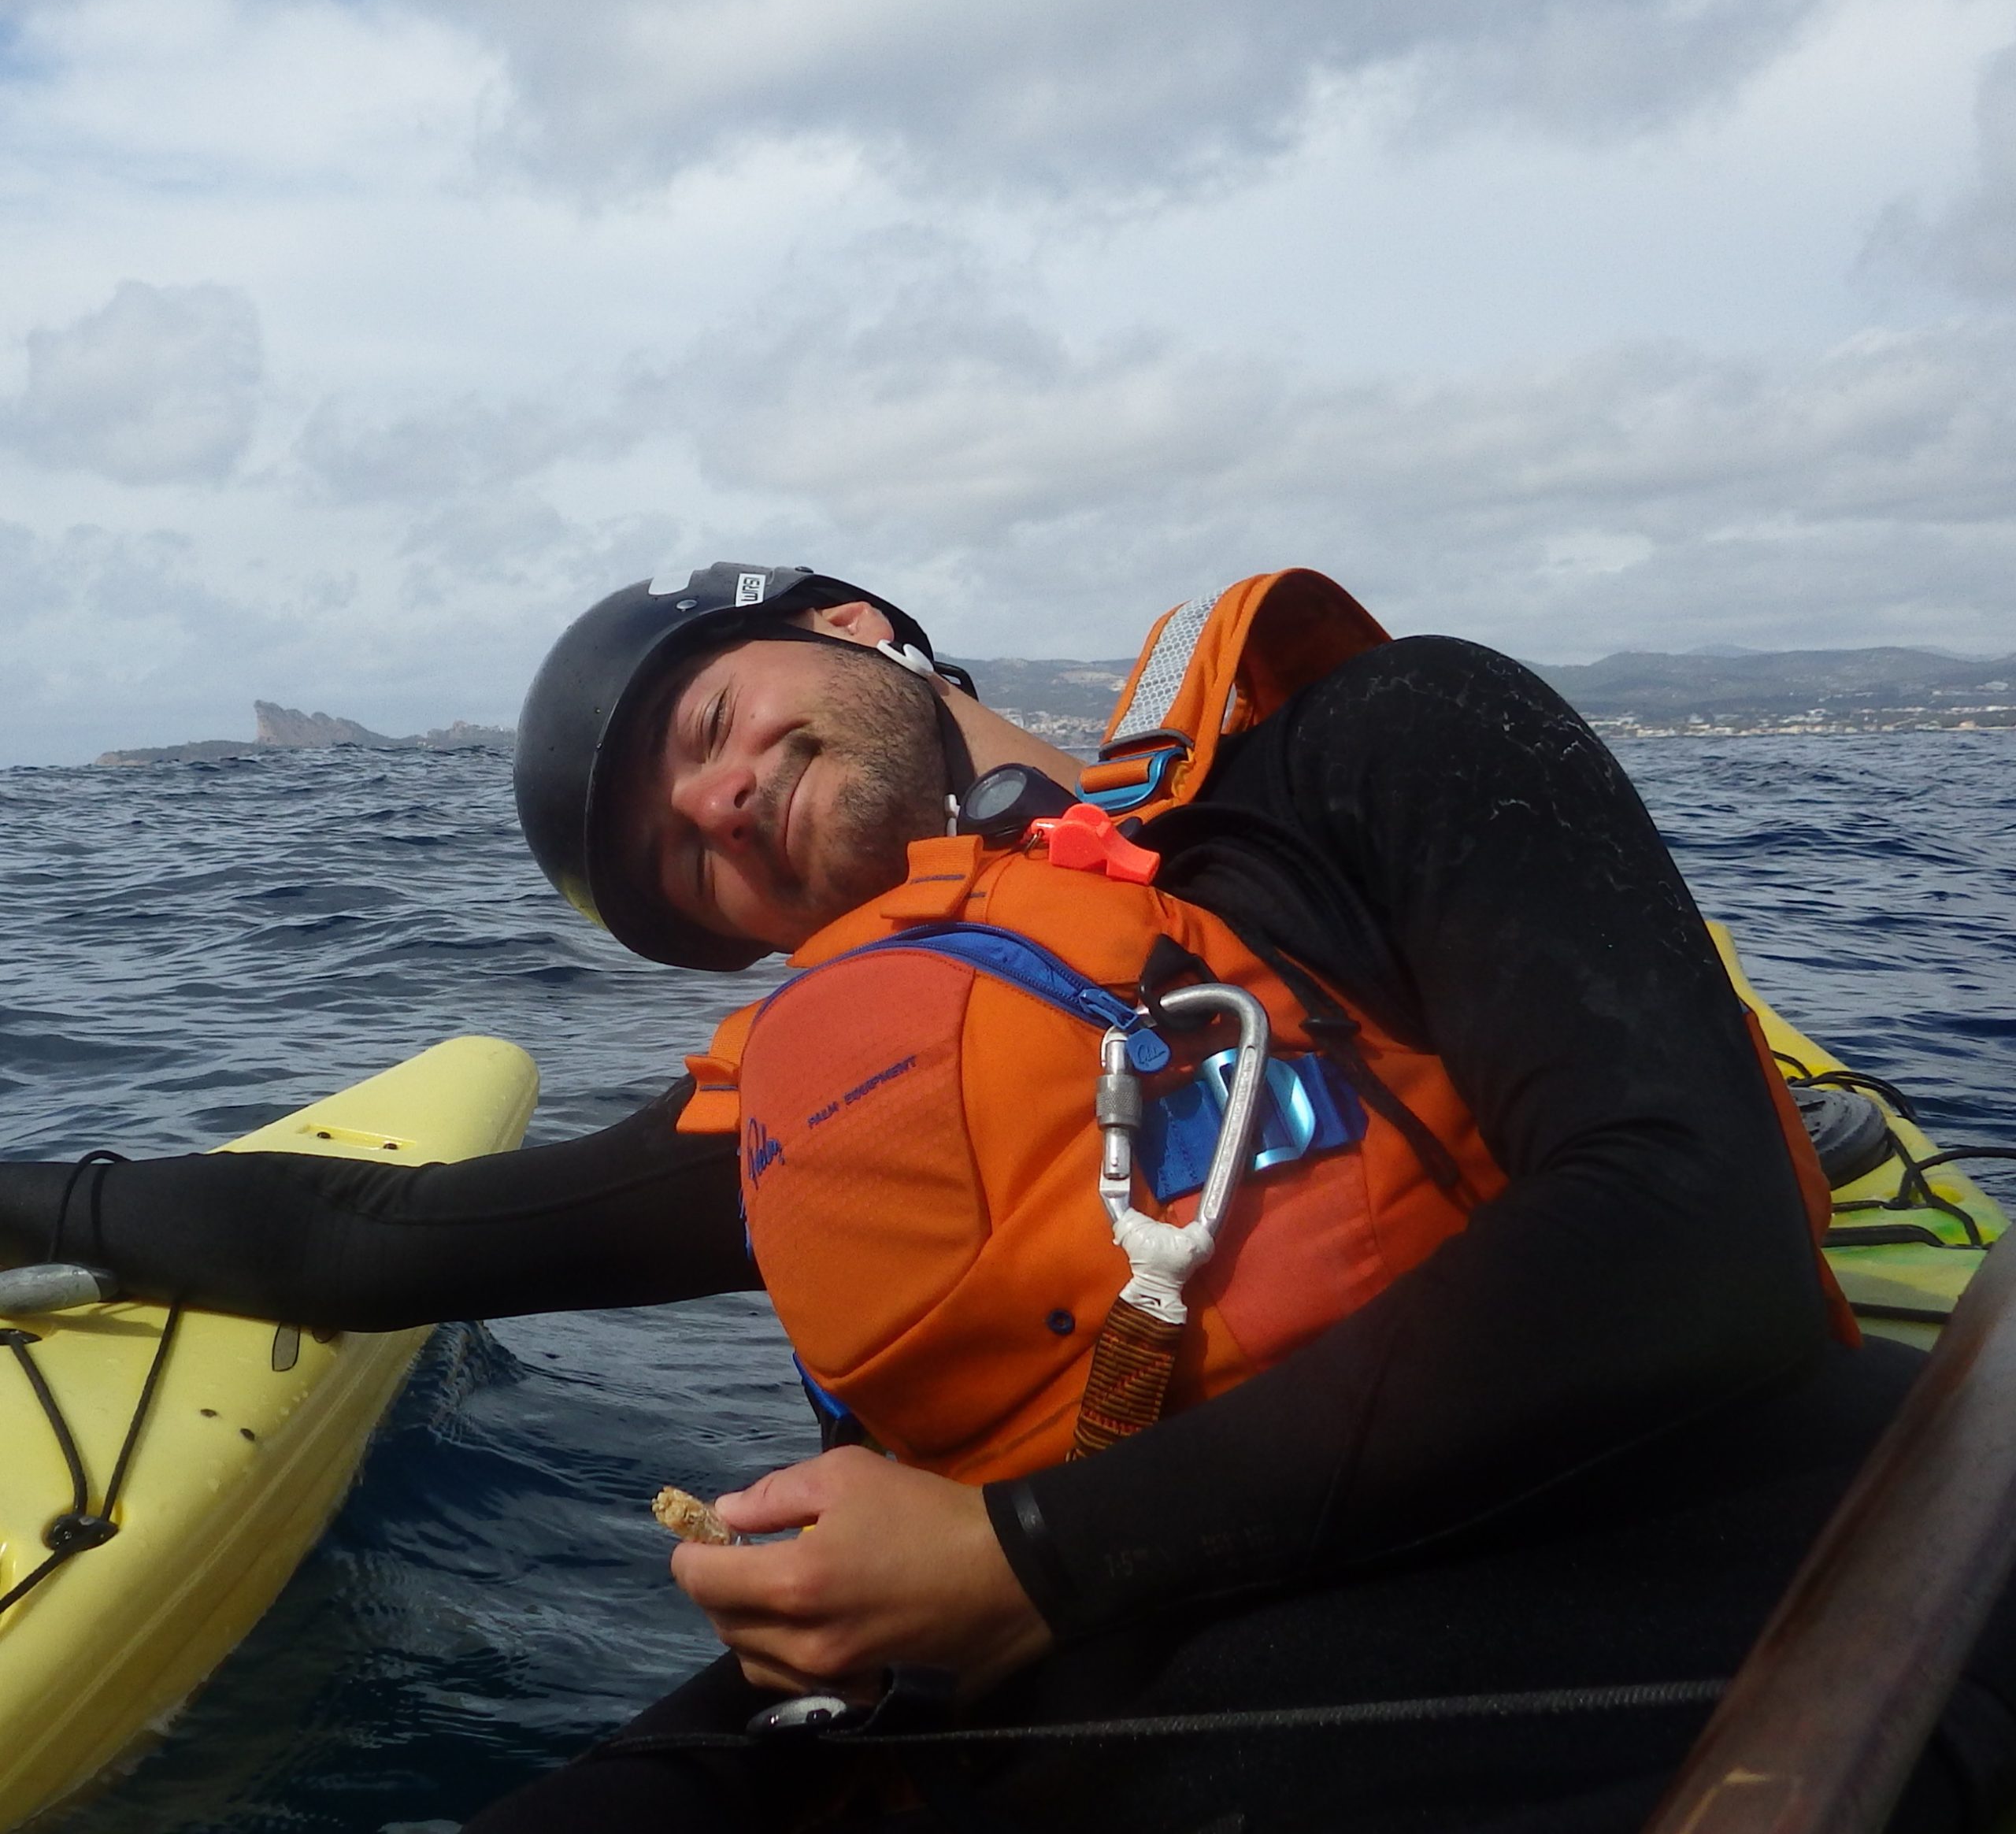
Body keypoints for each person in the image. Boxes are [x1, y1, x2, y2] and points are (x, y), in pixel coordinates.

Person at [3, 560, 2014, 1834]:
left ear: (851, 630)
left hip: (1683, 1582)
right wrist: (44, 1196)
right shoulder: (878, 1093)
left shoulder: (1382, 755)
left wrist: (1021, 1555)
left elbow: (1689, 1243)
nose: (710, 810)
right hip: (1106, 1677)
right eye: (680, 870)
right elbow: (379, 1237)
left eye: (705, 730)